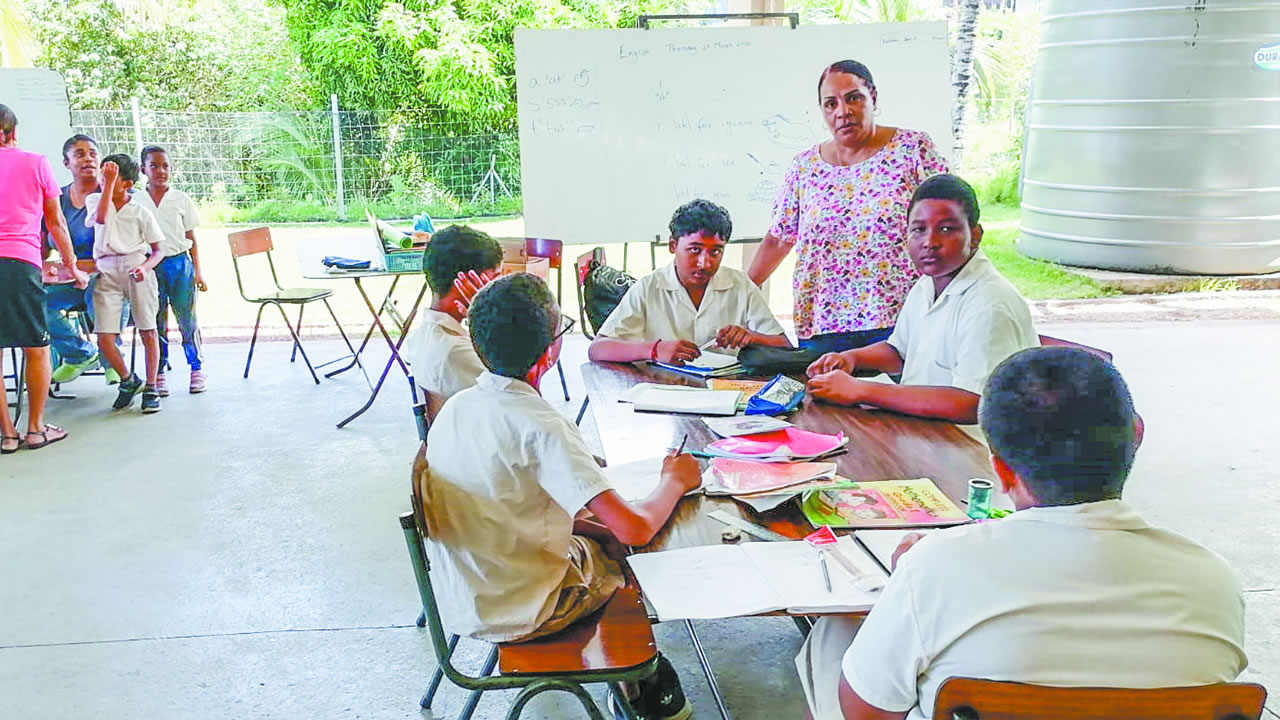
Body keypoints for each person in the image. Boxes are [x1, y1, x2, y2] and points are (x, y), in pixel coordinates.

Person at [794, 347, 1247, 720]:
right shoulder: (1215, 581)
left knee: (837, 629)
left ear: (1001, 470)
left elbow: (866, 713)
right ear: (1137, 435)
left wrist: (909, 583)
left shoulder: (938, 565)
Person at [420, 273, 698, 719]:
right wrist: (676, 479)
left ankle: (633, 681)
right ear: (550, 352)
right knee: (627, 556)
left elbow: (507, 503)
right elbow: (636, 528)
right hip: (526, 609)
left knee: (598, 535)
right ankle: (640, 683)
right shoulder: (542, 424)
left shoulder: (457, 408)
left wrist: (592, 525)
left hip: (467, 588)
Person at [748, 60, 949, 355]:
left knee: (897, 399)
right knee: (824, 401)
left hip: (901, 320)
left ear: (873, 98)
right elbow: (779, 238)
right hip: (823, 325)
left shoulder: (912, 148)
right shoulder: (805, 167)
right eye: (831, 104)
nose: (843, 111)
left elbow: (951, 219)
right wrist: (739, 293)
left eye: (853, 98)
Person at [805, 174, 1037, 430]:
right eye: (919, 230)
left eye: (947, 229)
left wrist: (860, 389)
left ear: (976, 235)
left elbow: (972, 404)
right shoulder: (928, 284)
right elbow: (899, 353)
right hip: (925, 432)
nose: (930, 242)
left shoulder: (989, 304)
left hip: (972, 451)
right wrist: (851, 358)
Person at [589, 198, 789, 365]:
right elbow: (598, 349)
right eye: (695, 249)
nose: (705, 263)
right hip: (664, 391)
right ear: (673, 245)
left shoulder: (740, 285)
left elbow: (785, 345)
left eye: (716, 251)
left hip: (725, 392)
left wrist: (752, 337)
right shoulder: (649, 287)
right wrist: (655, 349)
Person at [0, 104, 89, 451]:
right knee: (37, 346)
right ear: (13, 133)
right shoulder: (35, 162)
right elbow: (56, 222)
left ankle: (7, 435)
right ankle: (35, 429)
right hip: (21, 262)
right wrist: (73, 266)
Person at [87, 154, 165, 413]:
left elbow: (158, 250)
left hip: (135, 266)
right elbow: (100, 219)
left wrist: (144, 267)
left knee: (147, 328)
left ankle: (152, 385)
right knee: (104, 337)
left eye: (112, 175)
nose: (103, 178)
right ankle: (128, 379)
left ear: (128, 183)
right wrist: (108, 184)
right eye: (103, 174)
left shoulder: (140, 211)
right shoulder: (96, 200)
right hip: (106, 270)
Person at [403, 224, 502, 419]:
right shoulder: (456, 353)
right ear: (465, 283)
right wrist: (493, 319)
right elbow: (519, 404)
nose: (499, 287)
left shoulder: (422, 336)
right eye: (496, 279)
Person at [135, 145, 207, 395]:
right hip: (151, 265)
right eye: (154, 166)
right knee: (156, 320)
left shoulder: (181, 199)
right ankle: (160, 370)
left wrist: (197, 272)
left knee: (187, 318)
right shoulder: (136, 200)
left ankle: (196, 366)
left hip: (179, 264)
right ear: (143, 169)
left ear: (172, 169)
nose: (160, 171)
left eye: (165, 166)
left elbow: (191, 237)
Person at [43, 134, 109, 384]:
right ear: (66, 163)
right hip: (70, 281)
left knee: (100, 290)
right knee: (35, 304)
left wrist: (82, 267)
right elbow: (42, 248)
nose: (88, 158)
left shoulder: (115, 193)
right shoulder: (55, 200)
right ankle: (81, 354)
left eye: (93, 153)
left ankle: (112, 359)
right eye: (79, 154)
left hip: (110, 279)